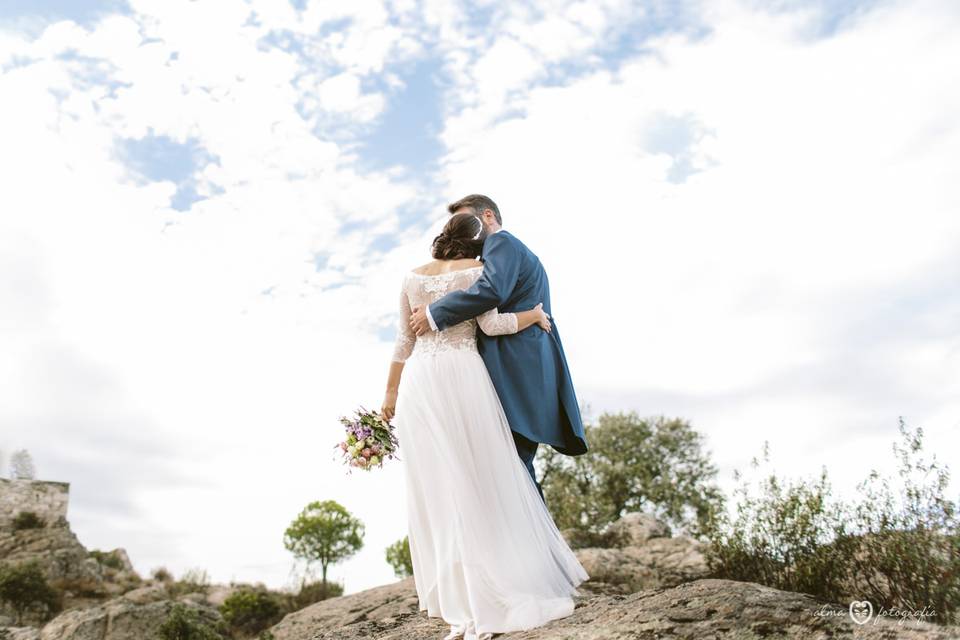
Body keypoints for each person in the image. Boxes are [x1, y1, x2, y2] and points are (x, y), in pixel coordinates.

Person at [382, 211, 588, 640]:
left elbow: (403, 341)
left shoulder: (410, 277)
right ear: (476, 241)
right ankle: (488, 599)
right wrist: (534, 316)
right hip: (463, 378)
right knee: (477, 483)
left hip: (420, 383)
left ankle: (458, 607)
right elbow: (493, 325)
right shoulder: (476, 271)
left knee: (437, 488)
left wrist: (389, 397)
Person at [408, 194, 588, 502]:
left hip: (514, 366)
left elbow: (491, 290)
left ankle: (540, 549)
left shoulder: (501, 244)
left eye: (468, 222)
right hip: (526, 366)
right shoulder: (506, 251)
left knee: (514, 468)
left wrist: (434, 312)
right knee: (513, 469)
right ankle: (533, 546)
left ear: (488, 216)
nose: (467, 233)